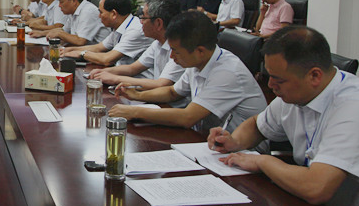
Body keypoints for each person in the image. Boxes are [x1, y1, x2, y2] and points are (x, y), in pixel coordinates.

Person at [209, 26, 359, 206]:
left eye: (278, 79)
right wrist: (234, 141)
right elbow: (257, 125)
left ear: (314, 76)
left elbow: (317, 187)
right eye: (269, 76)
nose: (271, 85)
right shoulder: (296, 93)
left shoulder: (356, 109)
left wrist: (263, 161)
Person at [109, 10, 267, 131]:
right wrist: (137, 95)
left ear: (200, 51)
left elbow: (187, 117)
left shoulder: (227, 72)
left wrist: (134, 112)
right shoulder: (198, 62)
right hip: (209, 140)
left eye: (176, 51)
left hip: (244, 152)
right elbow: (172, 92)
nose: (172, 57)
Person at [88, 0, 185, 90]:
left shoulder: (180, 48)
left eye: (143, 17)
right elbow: (132, 68)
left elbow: (161, 84)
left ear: (158, 23)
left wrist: (115, 79)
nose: (140, 21)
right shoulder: (157, 43)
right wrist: (104, 72)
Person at [61, 0, 152, 67]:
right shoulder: (120, 26)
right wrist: (67, 50)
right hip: (121, 74)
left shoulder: (134, 30)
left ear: (113, 14)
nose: (99, 16)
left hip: (137, 80)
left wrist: (82, 53)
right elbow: (98, 47)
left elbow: (107, 59)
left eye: (101, 12)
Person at [32, 0, 109, 46]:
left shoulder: (88, 11)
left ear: (73, 1)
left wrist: (59, 34)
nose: (59, 5)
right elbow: (64, 30)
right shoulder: (73, 12)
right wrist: (42, 33)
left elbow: (80, 41)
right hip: (82, 50)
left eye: (61, 2)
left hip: (98, 54)